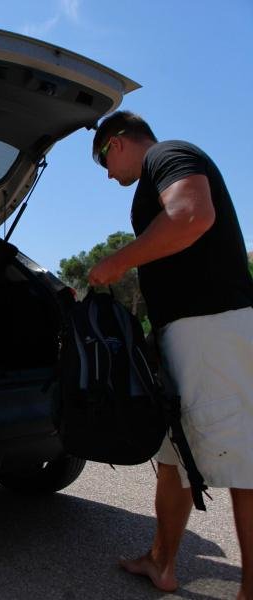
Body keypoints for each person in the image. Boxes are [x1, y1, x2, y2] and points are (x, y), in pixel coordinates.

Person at [87, 111, 253, 599]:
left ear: (116, 143)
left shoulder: (169, 154)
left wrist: (115, 262)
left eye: (102, 160)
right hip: (185, 335)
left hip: (212, 329)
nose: (106, 174)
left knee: (243, 461)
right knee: (174, 456)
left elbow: (192, 216)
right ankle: (162, 563)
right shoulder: (156, 172)